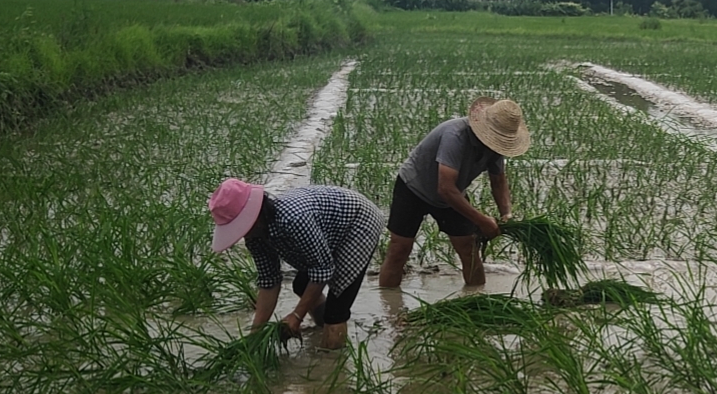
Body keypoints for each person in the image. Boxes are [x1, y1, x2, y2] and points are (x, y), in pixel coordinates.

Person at [208, 179, 382, 350]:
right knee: (301, 284)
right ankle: (323, 328)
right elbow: (269, 281)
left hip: (357, 222)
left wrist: (297, 316)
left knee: (337, 307)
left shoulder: (293, 219)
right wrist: (255, 335)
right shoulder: (255, 237)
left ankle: (333, 360)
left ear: (255, 215)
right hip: (329, 230)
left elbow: (322, 270)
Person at [378, 97, 530, 288]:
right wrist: (482, 220)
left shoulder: (495, 147)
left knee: (469, 249)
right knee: (399, 249)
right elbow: (445, 188)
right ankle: (389, 311)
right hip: (414, 188)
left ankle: (476, 303)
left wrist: (506, 214)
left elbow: (498, 181)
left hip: (452, 194)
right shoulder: (456, 135)